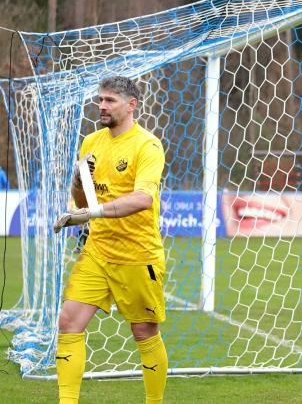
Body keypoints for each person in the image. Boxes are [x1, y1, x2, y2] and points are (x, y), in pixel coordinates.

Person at [52, 76, 168, 404]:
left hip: (138, 254)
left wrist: (91, 213)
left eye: (110, 100)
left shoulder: (147, 146)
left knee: (144, 331)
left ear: (131, 105)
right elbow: (84, 201)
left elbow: (143, 199)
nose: (102, 106)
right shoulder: (91, 142)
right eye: (100, 99)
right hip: (98, 251)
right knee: (68, 321)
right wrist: (78, 181)